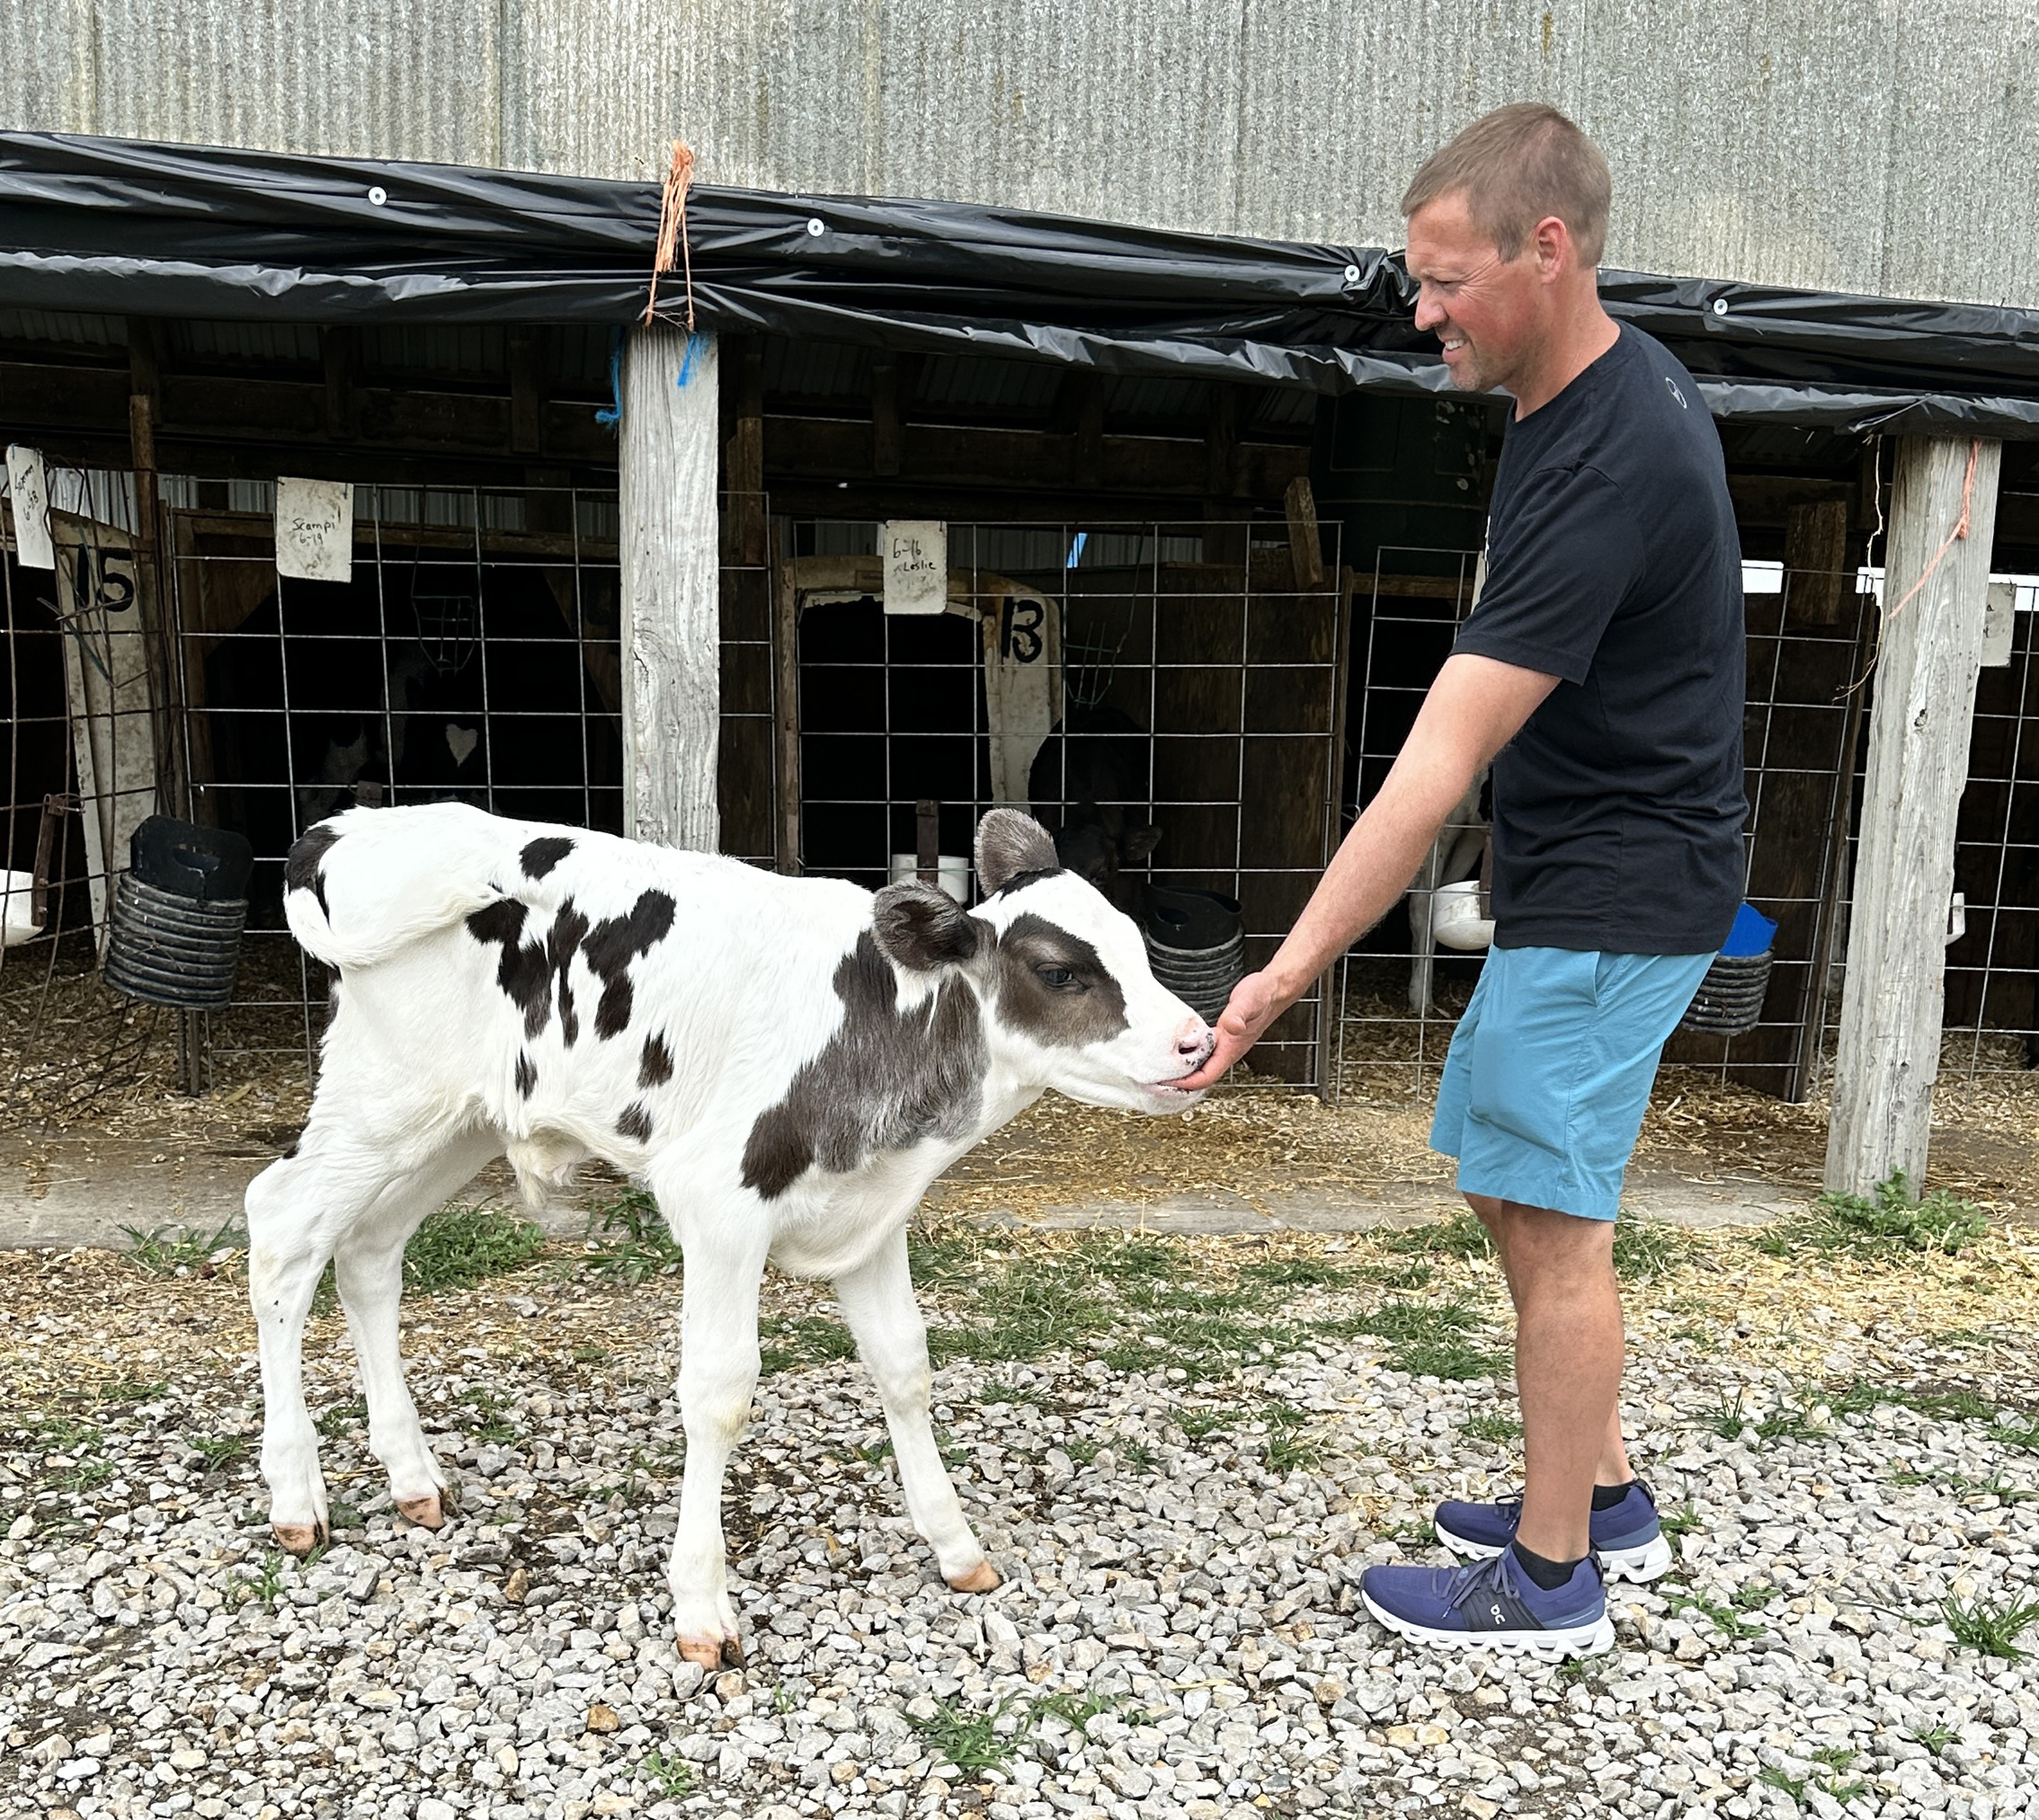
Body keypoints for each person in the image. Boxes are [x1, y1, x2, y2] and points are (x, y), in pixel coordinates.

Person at [1174, 103, 1747, 1658]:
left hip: (1625, 888)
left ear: (1545, 249)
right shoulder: (1571, 405)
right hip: (1586, 871)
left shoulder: (1608, 456)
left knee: (1556, 1226)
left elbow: (1434, 767)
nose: (1419, 311)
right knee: (1505, 1170)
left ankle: (1556, 1579)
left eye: (1445, 281)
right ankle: (1603, 1488)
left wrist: (1281, 976)